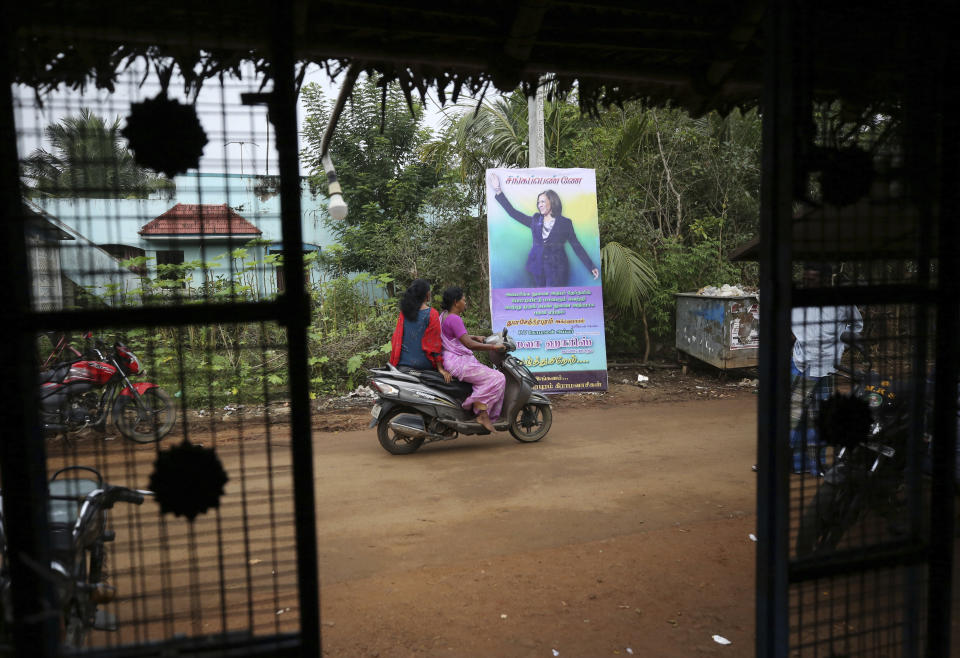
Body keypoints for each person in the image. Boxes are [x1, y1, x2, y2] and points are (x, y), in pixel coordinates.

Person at [789, 262, 863, 474]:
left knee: (819, 417)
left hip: (827, 365)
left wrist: (841, 345)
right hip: (801, 363)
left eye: (811, 280)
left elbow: (856, 326)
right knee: (794, 415)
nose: (807, 284)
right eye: (805, 280)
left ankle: (816, 465)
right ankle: (787, 462)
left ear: (825, 279)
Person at [488, 171, 599, 287]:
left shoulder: (565, 223)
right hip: (537, 268)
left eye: (543, 201)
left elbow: (577, 246)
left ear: (552, 202)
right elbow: (513, 213)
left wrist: (591, 266)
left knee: (554, 302)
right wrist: (498, 190)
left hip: (558, 270)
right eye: (538, 202)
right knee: (538, 302)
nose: (539, 205)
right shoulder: (535, 220)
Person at [439, 286, 507, 432]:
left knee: (487, 378)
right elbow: (469, 345)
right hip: (459, 362)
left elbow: (456, 336)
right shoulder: (454, 319)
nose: (465, 303)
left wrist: (476, 337)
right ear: (456, 302)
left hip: (449, 360)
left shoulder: (444, 315)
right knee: (498, 378)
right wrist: (494, 347)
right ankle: (481, 412)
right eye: (464, 300)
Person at [389, 279, 452, 383]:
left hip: (401, 363)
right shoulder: (432, 313)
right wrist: (440, 369)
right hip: (423, 365)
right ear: (427, 294)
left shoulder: (404, 313)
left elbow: (396, 338)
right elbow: (435, 345)